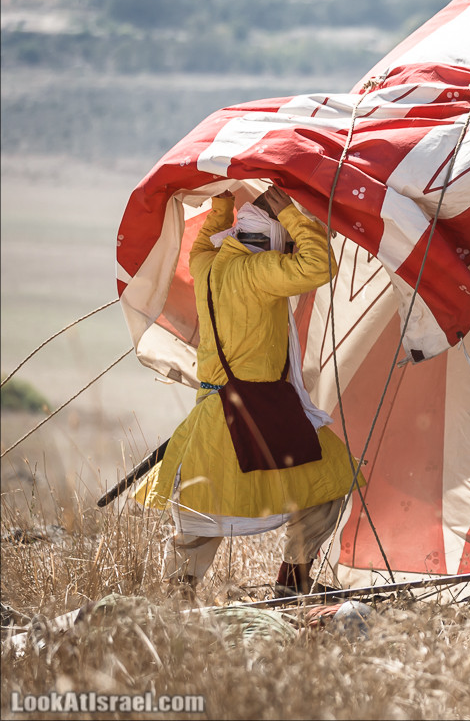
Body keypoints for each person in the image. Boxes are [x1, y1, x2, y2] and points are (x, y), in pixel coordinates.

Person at [133, 185, 362, 598]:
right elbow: (319, 265)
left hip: (218, 414)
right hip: (257, 412)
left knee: (200, 523)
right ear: (273, 239)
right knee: (329, 484)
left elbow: (202, 243)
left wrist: (222, 205)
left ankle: (172, 607)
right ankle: (290, 586)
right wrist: (290, 212)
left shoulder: (207, 266)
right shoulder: (258, 272)